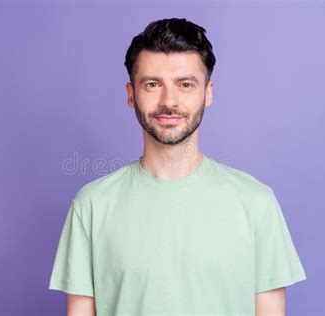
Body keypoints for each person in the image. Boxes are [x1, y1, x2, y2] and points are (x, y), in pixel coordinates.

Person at [48, 17, 307, 316]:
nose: (169, 101)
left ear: (207, 93)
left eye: (185, 84)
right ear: (132, 94)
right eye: (152, 84)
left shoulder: (257, 203)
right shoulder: (91, 206)